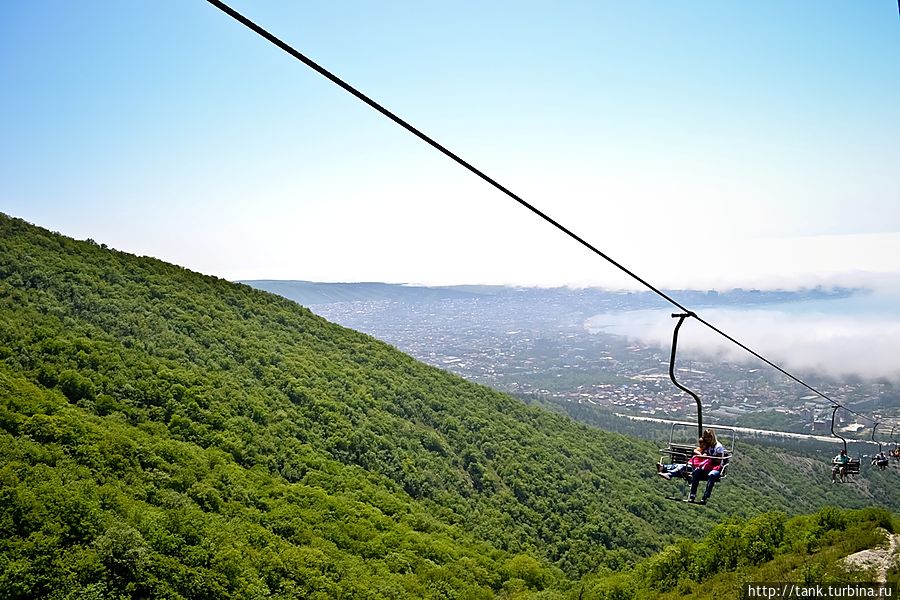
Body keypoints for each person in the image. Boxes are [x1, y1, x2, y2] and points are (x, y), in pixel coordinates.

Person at [688, 429, 726, 504]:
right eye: (706, 437)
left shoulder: (718, 447)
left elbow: (718, 461)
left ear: (712, 437)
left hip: (716, 467)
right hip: (707, 466)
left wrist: (709, 457)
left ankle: (705, 497)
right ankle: (692, 494)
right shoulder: (707, 445)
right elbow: (699, 450)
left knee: (712, 475)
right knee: (697, 471)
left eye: (709, 437)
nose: (707, 439)